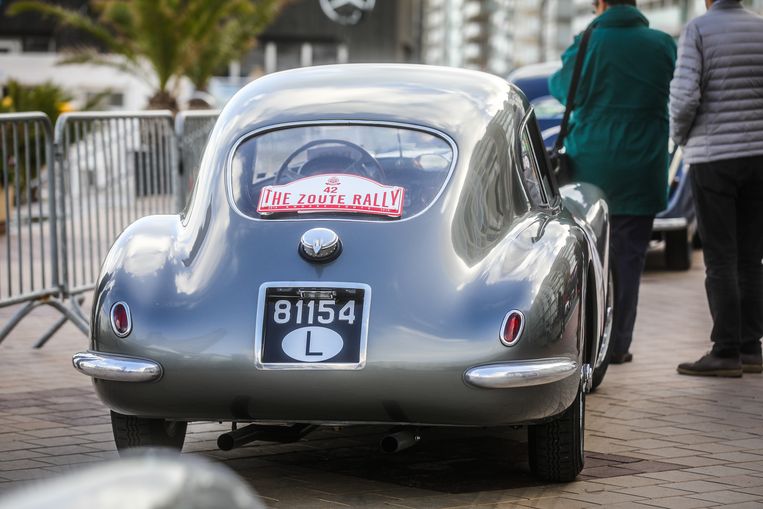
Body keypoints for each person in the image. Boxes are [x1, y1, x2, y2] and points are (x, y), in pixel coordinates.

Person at [549, 0, 676, 364]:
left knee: (591, 260)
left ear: (601, 5)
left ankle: (591, 346)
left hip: (593, 168)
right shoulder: (663, 44)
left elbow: (561, 88)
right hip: (643, 167)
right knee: (631, 260)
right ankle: (619, 344)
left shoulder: (588, 41)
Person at [671, 0, 763, 377]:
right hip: (759, 156)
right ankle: (751, 347)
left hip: (714, 159)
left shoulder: (698, 30)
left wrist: (680, 138)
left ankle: (725, 351)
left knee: (721, 257)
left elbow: (684, 97)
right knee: (751, 256)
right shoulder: (760, 28)